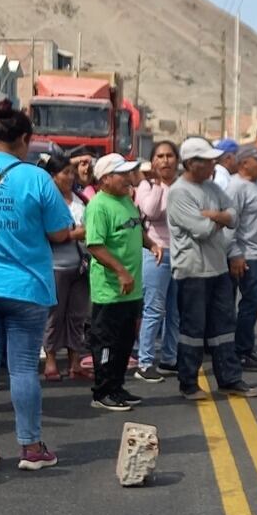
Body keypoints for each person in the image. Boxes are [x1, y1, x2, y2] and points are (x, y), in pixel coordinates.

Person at [0, 102, 72, 471]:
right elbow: (60, 231)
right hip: (25, 285)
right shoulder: (36, 179)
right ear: (25, 138)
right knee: (22, 368)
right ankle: (31, 449)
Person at [169, 137, 257, 398]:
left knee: (223, 327)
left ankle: (229, 378)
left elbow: (233, 215)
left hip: (217, 268)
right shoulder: (179, 192)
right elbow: (201, 229)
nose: (213, 164)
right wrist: (218, 219)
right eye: (207, 160)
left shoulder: (211, 187)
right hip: (192, 271)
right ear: (190, 164)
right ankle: (188, 382)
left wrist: (215, 216)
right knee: (193, 330)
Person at [82, 152, 146, 412]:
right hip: (110, 290)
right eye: (123, 174)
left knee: (124, 343)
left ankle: (117, 386)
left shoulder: (126, 200)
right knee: (106, 343)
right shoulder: (99, 205)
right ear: (105, 178)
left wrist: (151, 244)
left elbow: (134, 229)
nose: (128, 178)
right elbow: (95, 246)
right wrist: (120, 271)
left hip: (131, 290)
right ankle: (103, 392)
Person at [42, 151, 91, 382]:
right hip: (55, 265)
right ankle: (51, 360)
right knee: (54, 315)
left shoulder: (81, 199)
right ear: (53, 176)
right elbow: (49, 234)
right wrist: (74, 234)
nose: (70, 177)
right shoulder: (47, 200)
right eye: (65, 173)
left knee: (77, 315)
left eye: (72, 173)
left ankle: (75, 362)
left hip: (80, 265)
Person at [134, 139, 180, 382]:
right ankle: (145, 361)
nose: (165, 161)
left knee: (175, 311)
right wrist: (159, 185)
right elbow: (151, 211)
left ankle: (170, 358)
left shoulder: (183, 186)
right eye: (160, 156)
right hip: (156, 253)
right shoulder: (145, 186)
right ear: (152, 162)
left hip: (181, 255)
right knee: (154, 309)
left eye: (170, 156)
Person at [227, 145, 257, 371]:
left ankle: (247, 348)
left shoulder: (254, 187)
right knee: (250, 303)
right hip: (248, 255)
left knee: (255, 303)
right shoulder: (236, 188)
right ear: (244, 163)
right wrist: (235, 253)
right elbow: (230, 224)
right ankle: (240, 352)